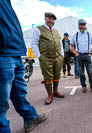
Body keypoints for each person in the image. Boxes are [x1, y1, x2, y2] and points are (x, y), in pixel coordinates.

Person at [0, 1, 47, 132]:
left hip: (14, 52)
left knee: (19, 92)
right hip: (3, 54)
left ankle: (30, 116)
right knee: (1, 105)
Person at [32, 12, 65, 105]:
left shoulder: (56, 31)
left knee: (57, 75)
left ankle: (55, 91)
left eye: (53, 19)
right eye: (49, 18)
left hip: (58, 57)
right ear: (45, 18)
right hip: (46, 58)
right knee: (48, 77)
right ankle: (50, 95)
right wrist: (39, 56)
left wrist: (62, 55)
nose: (51, 20)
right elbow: (34, 43)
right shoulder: (38, 29)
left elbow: (60, 44)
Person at [70, 19, 92, 95]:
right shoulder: (75, 35)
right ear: (78, 25)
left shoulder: (89, 34)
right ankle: (83, 86)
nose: (83, 26)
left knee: (90, 72)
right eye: (81, 25)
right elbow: (71, 45)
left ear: (86, 26)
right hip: (79, 55)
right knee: (81, 73)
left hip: (87, 55)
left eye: (84, 25)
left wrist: (91, 53)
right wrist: (76, 54)